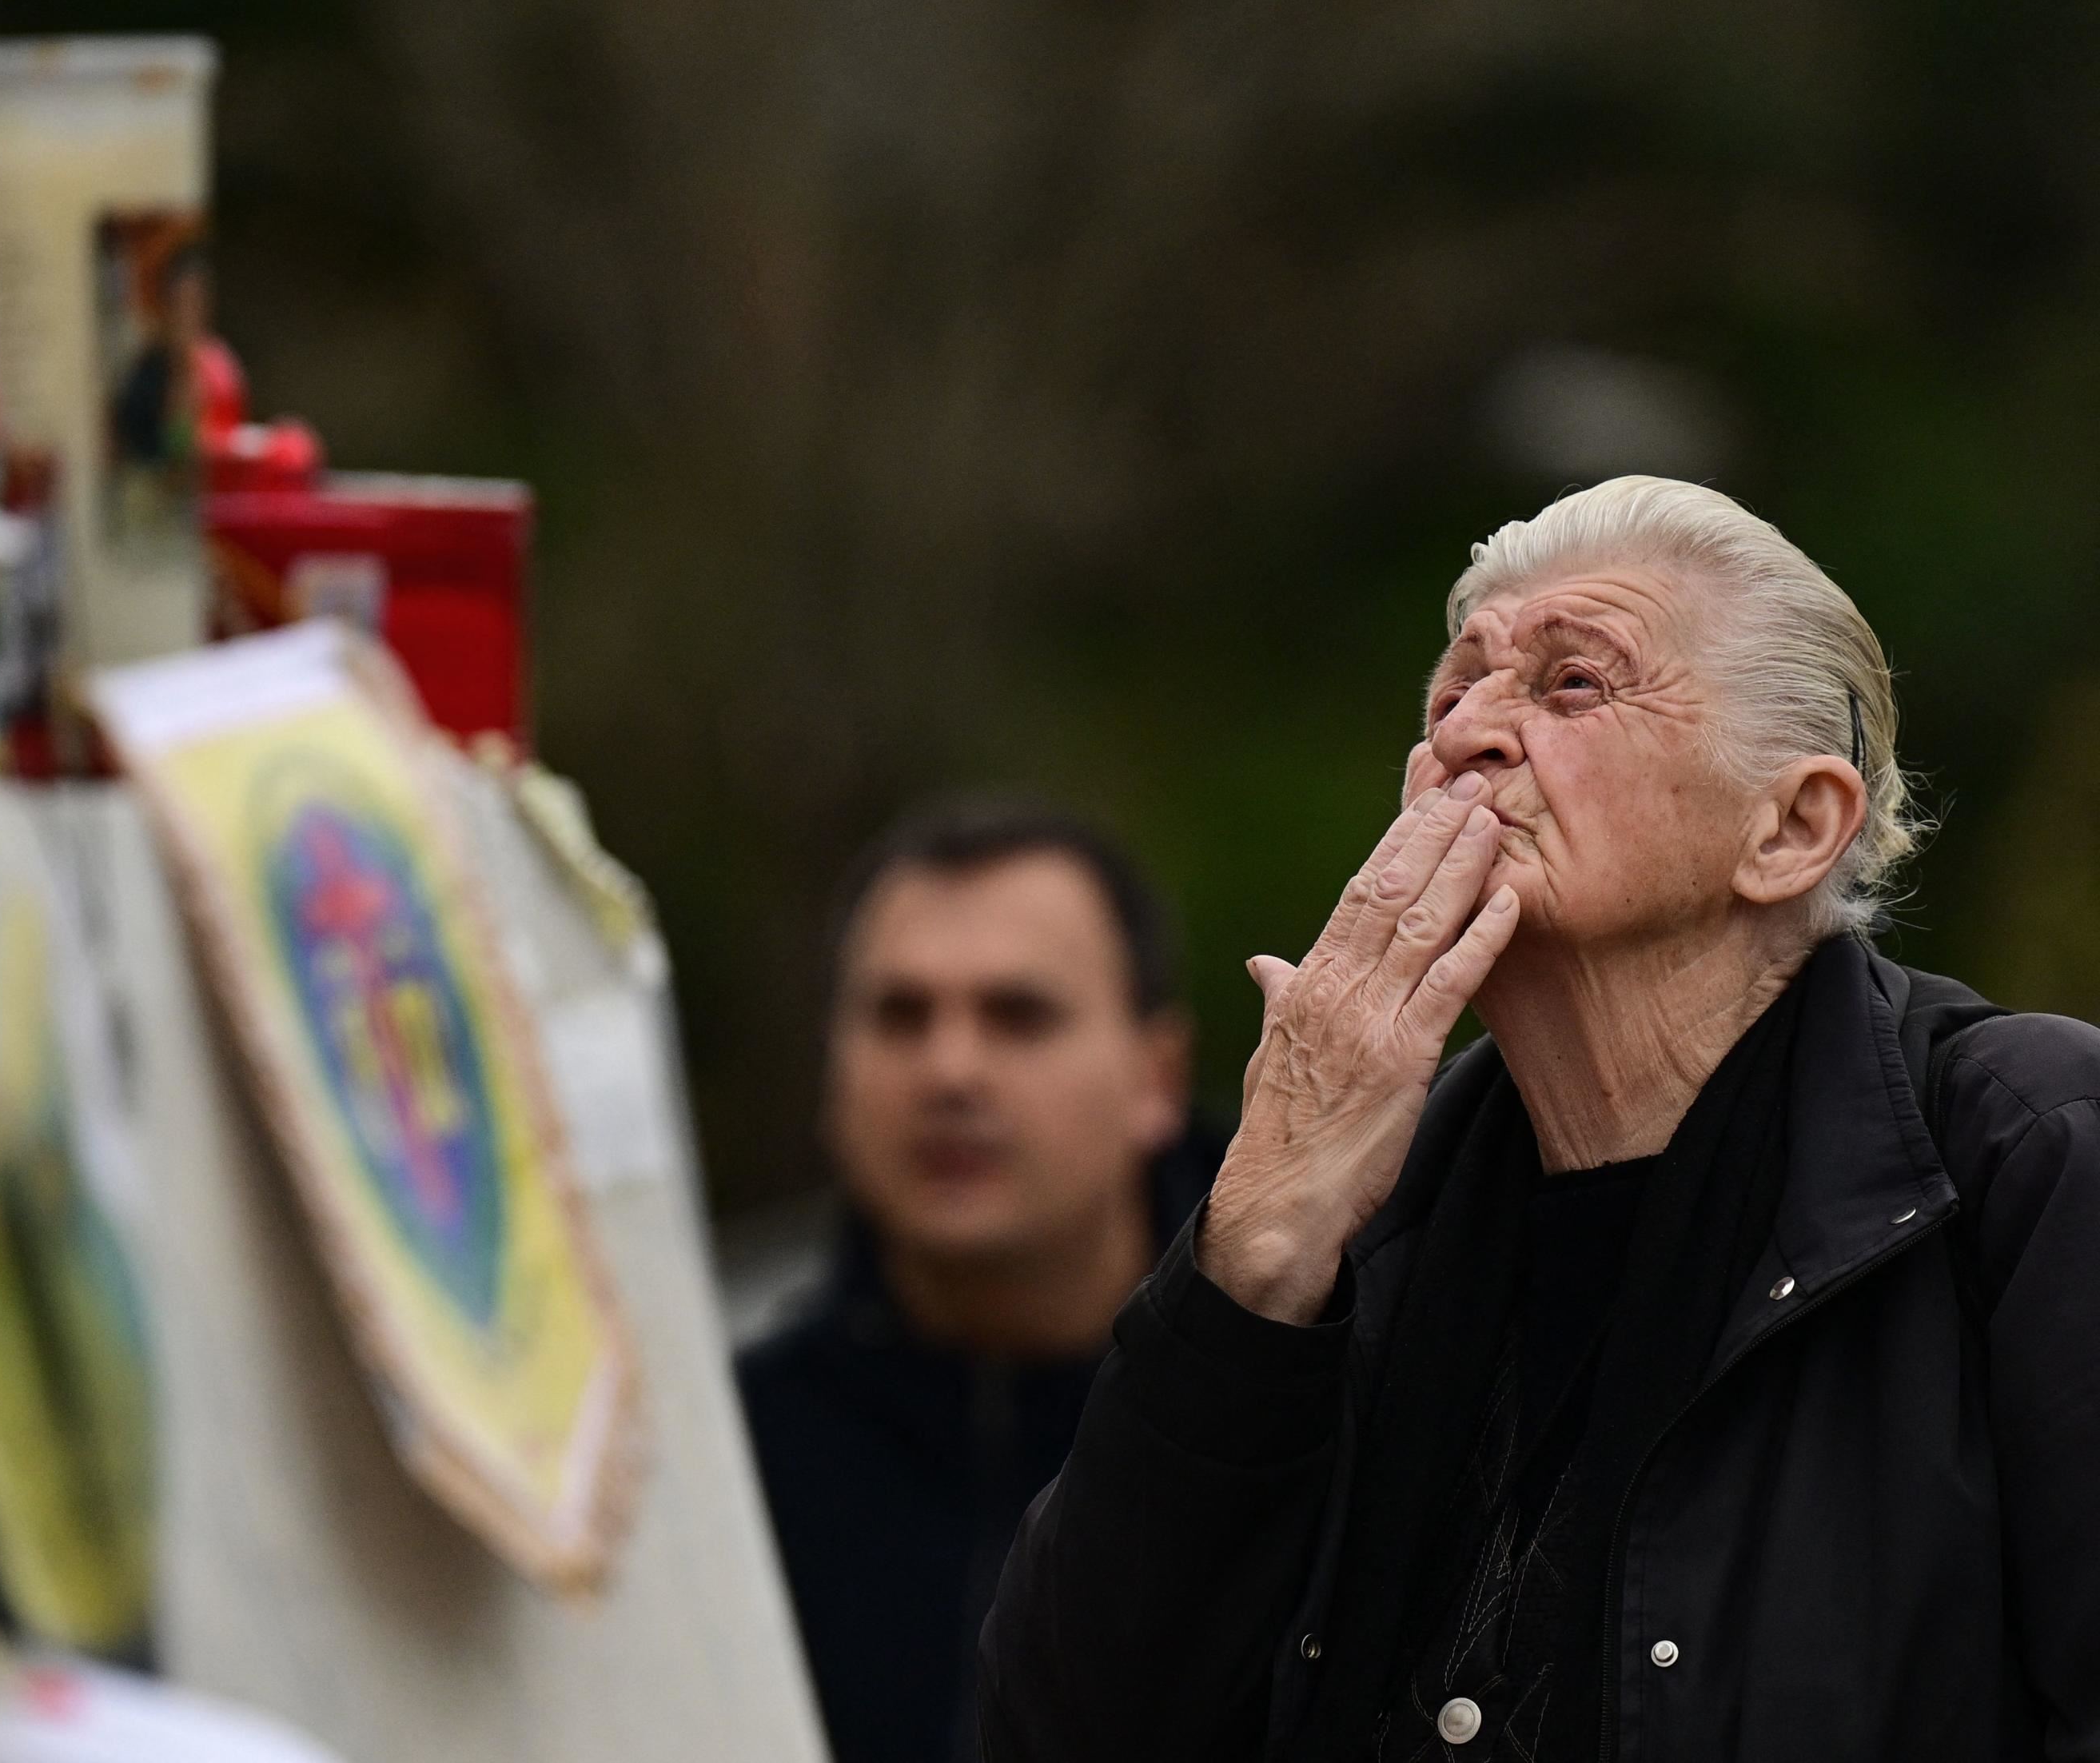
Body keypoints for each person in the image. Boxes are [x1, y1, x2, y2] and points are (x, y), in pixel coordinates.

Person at [978, 477, 2100, 1762]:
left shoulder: (2033, 1153)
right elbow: (1059, 1726)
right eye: (1452, 694)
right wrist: (1254, 1253)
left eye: (1572, 684)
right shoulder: (1357, 1220)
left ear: (1793, 826)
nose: (1470, 736)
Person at [739, 797, 1217, 1763]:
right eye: (900, 1015)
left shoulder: (1296, 1425)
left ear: (1156, 1078)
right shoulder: (733, 1463)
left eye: (1019, 1015)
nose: (950, 1070)